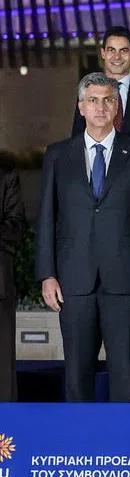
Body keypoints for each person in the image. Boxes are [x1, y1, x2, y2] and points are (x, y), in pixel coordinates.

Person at [37, 73, 130, 402]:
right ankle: (80, 444)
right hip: (73, 281)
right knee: (77, 375)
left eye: (108, 100)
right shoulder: (58, 155)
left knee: (126, 374)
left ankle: (125, 445)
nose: (101, 106)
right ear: (81, 107)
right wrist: (47, 274)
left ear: (117, 107)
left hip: (126, 283)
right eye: (93, 100)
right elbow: (47, 218)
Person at [70, 26, 130, 141]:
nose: (117, 56)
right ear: (103, 53)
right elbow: (77, 140)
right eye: (111, 50)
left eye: (123, 50)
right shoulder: (88, 93)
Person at [0, 164, 26, 401]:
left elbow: (16, 227)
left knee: (3, 369)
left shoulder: (6, 175)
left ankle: (5, 428)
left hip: (0, 287)